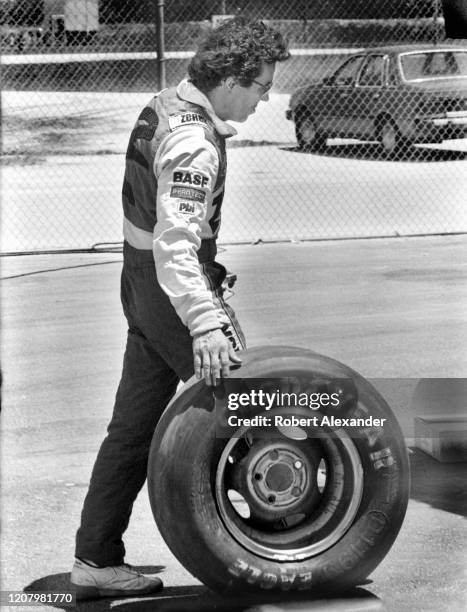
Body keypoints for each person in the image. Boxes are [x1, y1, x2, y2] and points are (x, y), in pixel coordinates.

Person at [70, 17, 289, 599]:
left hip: (141, 285)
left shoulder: (169, 103)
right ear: (233, 79)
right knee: (246, 407)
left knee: (133, 427)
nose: (266, 97)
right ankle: (286, 538)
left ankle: (94, 560)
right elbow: (176, 245)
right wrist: (207, 320)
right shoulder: (194, 141)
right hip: (171, 290)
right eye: (262, 86)